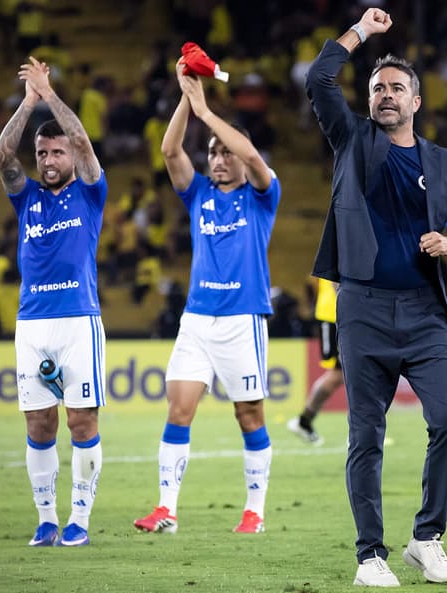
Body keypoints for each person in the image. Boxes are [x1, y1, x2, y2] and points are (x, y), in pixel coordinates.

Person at [305, 8, 447, 586]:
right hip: (362, 307)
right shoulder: (351, 140)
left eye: (396, 88)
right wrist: (360, 32)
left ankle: (427, 539)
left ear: (416, 101)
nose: (385, 95)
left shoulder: (445, 164)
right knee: (367, 435)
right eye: (377, 87)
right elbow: (318, 80)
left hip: (427, 313)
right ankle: (369, 555)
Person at [133, 58, 281, 535]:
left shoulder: (262, 195)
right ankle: (167, 510)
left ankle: (254, 512)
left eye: (224, 152)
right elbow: (170, 149)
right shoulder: (198, 194)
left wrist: (208, 113)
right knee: (178, 410)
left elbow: (254, 156)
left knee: (248, 413)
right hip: (196, 321)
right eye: (212, 153)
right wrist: (186, 96)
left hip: (242, 320)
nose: (217, 158)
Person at [0, 57, 107, 547]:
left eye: (55, 152)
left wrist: (50, 93)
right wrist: (28, 103)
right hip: (31, 323)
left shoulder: (89, 193)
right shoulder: (27, 200)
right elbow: (2, 156)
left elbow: (83, 142)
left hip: (79, 320)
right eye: (42, 154)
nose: (48, 161)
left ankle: (79, 516)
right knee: (39, 422)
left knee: (81, 420)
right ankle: (46, 518)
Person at [287, 278, 343, 445]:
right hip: (334, 316)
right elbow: (336, 278)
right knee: (339, 374)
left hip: (340, 314)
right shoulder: (341, 250)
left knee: (345, 374)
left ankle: (304, 421)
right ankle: (304, 420)